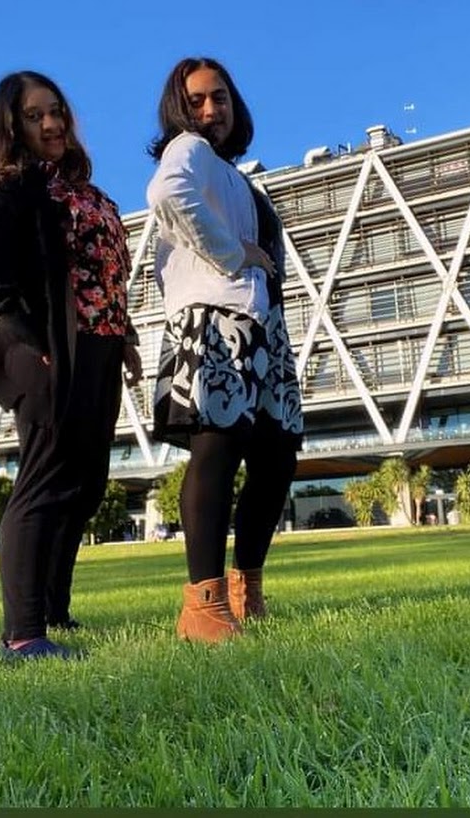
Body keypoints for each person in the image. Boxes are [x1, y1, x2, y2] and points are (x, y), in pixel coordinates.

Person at [0, 70, 142, 660]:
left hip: (100, 347)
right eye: (35, 116)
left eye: (56, 111)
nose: (52, 124)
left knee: (84, 486)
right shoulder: (20, 184)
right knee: (42, 485)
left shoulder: (78, 187)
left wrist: (126, 336)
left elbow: (103, 271)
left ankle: (55, 612)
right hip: (54, 354)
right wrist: (25, 329)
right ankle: (23, 633)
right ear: (13, 127)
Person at [146, 57, 304, 643]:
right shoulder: (187, 150)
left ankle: (245, 589)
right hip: (213, 317)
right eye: (196, 100)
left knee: (277, 457)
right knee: (216, 451)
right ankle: (204, 605)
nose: (211, 110)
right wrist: (233, 254)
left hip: (262, 327)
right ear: (179, 109)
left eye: (220, 98)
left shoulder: (234, 175)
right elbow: (167, 192)